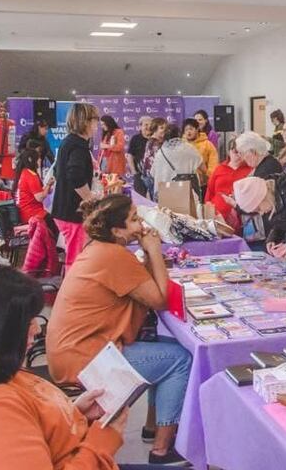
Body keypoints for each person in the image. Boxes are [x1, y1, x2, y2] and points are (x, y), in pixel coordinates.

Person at [47, 195, 193, 466]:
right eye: (134, 220)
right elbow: (160, 298)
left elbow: (147, 285)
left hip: (74, 351)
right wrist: (154, 250)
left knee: (165, 348)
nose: (141, 225)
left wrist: (148, 255)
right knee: (180, 359)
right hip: (86, 358)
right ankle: (162, 451)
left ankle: (152, 427)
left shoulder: (99, 248)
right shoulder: (113, 256)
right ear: (117, 231)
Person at [0, 265, 127, 470]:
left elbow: (29, 429)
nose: (37, 329)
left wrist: (74, 415)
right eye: (28, 322)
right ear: (0, 330)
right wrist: (101, 443)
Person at [51, 103, 100, 268]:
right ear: (85, 121)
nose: (97, 124)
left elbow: (58, 171)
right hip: (72, 212)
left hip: (64, 210)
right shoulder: (78, 145)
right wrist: (89, 199)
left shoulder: (68, 142)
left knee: (75, 255)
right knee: (76, 259)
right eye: (95, 119)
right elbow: (75, 175)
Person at [13, 149, 61, 277]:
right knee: (55, 225)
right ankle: (53, 256)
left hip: (26, 212)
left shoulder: (24, 173)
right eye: (38, 158)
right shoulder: (31, 175)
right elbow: (39, 197)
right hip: (33, 214)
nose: (40, 160)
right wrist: (48, 187)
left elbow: (40, 193)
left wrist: (48, 186)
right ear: (31, 159)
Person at [205, 138, 252, 222]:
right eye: (235, 152)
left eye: (242, 152)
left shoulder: (250, 170)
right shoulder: (219, 169)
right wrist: (208, 210)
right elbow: (209, 192)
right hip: (217, 215)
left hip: (241, 216)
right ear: (229, 152)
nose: (239, 155)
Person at [183, 117, 219, 195]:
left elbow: (213, 164)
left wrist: (207, 174)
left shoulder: (207, 145)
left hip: (203, 184)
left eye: (191, 129)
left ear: (197, 129)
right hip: (184, 184)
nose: (188, 132)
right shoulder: (181, 145)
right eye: (186, 130)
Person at [141, 117, 169, 200]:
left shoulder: (152, 141)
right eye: (161, 128)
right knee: (158, 202)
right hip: (153, 177)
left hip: (150, 176)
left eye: (165, 128)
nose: (164, 130)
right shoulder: (155, 143)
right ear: (155, 129)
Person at [129, 116, 152, 196]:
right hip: (139, 174)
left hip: (153, 175)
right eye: (146, 125)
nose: (148, 127)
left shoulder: (155, 139)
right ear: (140, 126)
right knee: (140, 198)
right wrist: (134, 172)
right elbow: (130, 156)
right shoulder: (135, 139)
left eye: (150, 125)